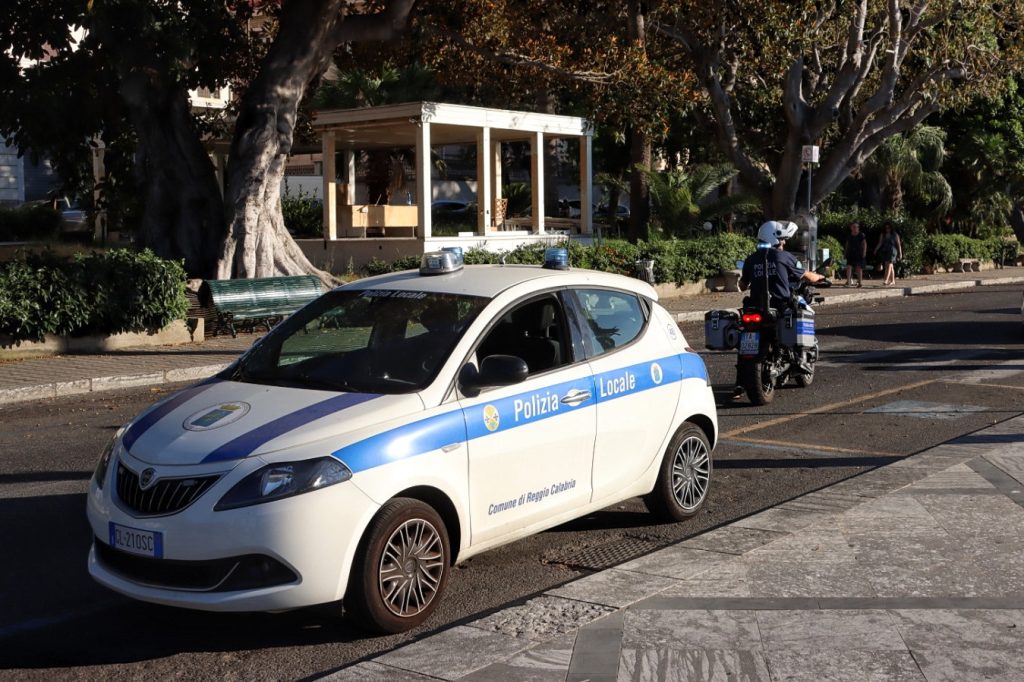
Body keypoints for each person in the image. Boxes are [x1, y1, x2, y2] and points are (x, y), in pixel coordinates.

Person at [731, 220, 825, 399]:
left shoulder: (751, 259)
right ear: (774, 239)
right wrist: (820, 276)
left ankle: (740, 385)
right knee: (794, 317)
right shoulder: (785, 257)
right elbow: (807, 276)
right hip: (779, 307)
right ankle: (796, 360)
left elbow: (742, 286)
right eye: (782, 240)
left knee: (746, 341)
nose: (784, 243)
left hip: (754, 308)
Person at [844, 222, 868, 287]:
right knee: (849, 267)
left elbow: (864, 244)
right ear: (851, 228)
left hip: (859, 253)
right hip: (851, 253)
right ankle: (849, 282)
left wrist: (864, 252)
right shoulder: (850, 236)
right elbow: (847, 245)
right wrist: (845, 253)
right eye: (854, 227)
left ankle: (860, 282)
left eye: (856, 227)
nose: (855, 228)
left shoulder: (861, 235)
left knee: (859, 268)